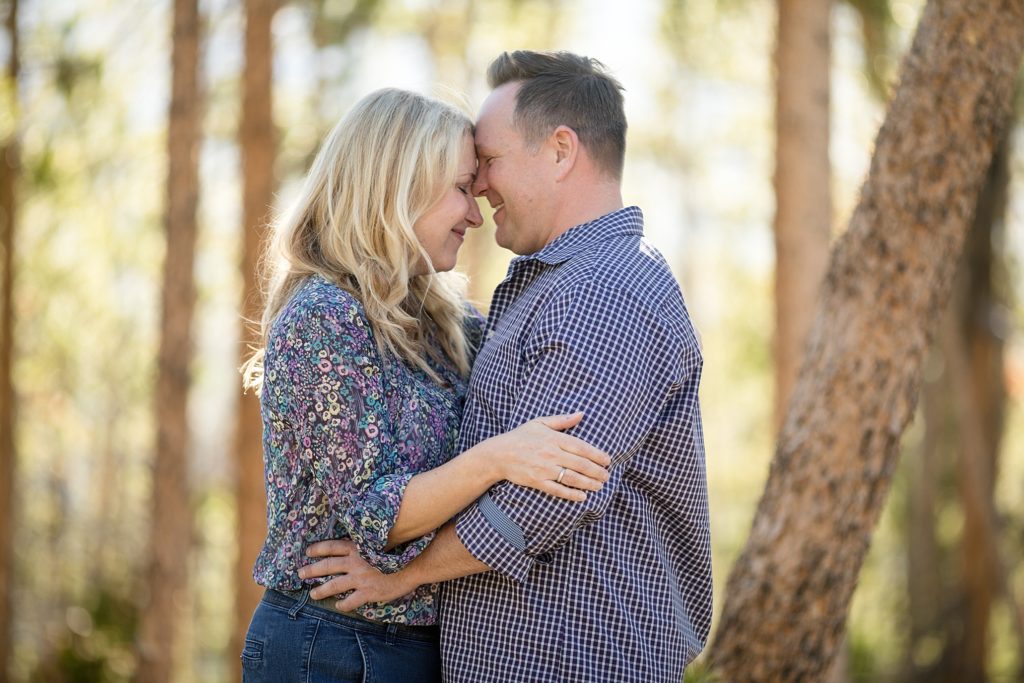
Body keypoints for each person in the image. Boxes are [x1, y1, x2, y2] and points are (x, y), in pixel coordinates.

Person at [301, 51, 713, 683]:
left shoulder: (607, 291)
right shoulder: (549, 288)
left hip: (578, 662)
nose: (481, 188)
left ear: (560, 151)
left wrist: (397, 578)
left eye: (487, 162)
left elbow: (539, 501)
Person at [238, 87, 612, 683]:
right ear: (397, 187)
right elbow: (374, 514)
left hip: (421, 644)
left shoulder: (444, 319)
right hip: (331, 644)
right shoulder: (322, 318)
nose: (475, 211)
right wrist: (501, 458)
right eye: (462, 188)